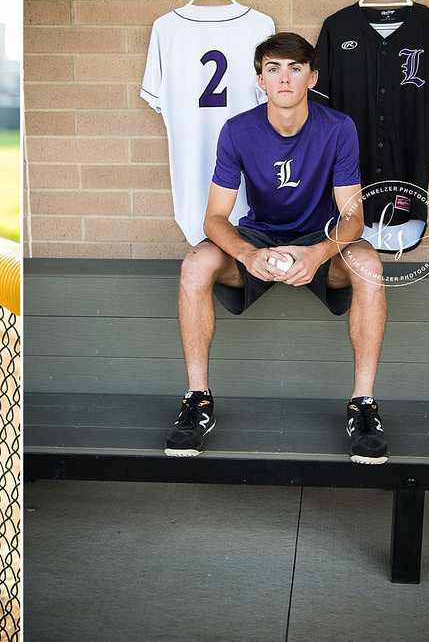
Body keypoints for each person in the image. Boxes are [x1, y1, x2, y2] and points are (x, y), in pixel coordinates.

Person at [164, 32, 389, 465]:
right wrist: (248, 255)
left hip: (321, 238)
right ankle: (198, 401)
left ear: (312, 76)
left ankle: (363, 406)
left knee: (368, 265)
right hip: (259, 239)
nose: (284, 78)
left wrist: (317, 254)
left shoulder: (338, 128)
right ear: (261, 81)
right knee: (195, 263)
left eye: (295, 68)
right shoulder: (238, 130)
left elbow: (354, 218)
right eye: (273, 69)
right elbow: (213, 219)